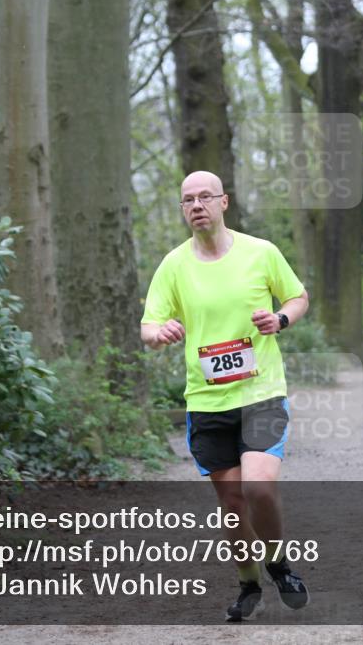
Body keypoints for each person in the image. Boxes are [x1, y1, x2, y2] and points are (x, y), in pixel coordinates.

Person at [140, 171, 310, 622]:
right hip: (207, 401)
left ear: (223, 202)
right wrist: (161, 332)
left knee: (258, 486)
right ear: (183, 210)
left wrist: (280, 320)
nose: (196, 205)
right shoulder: (174, 265)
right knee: (232, 503)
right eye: (187, 200)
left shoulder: (261, 252)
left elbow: (297, 297)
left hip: (261, 392)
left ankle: (279, 565)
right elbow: (148, 327)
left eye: (204, 197)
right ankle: (249, 582)